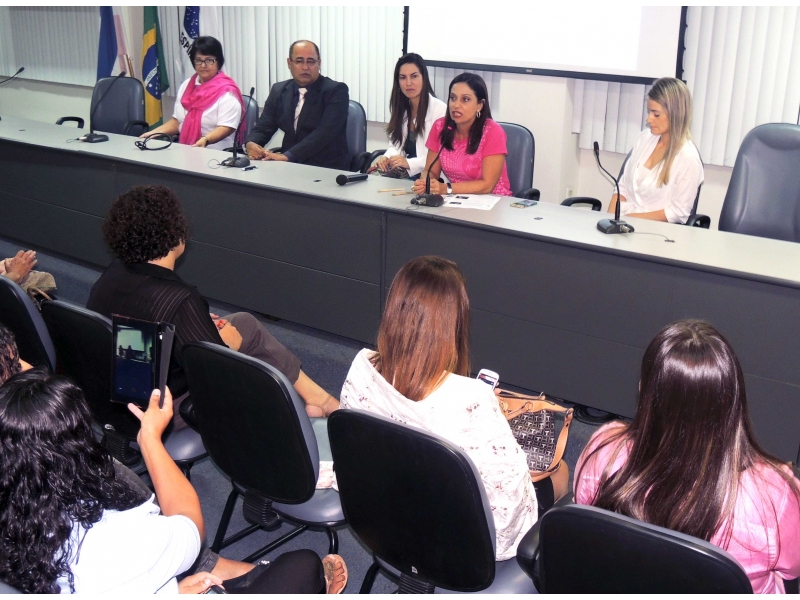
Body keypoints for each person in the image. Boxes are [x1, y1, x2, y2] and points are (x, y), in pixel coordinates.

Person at [0, 370, 348, 594]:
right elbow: (189, 526)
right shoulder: (118, 537)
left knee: (230, 577)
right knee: (303, 566)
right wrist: (150, 437)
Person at [340, 256, 568, 561]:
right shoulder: (472, 400)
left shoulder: (361, 368)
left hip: (387, 518)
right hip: (462, 544)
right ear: (454, 324)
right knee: (561, 471)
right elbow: (510, 513)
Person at [574, 320, 800, 593]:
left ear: (645, 389)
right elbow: (793, 566)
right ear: (733, 401)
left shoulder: (604, 449)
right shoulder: (773, 496)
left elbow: (584, 517)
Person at [86, 185, 339, 418]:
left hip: (115, 385)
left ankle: (318, 399)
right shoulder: (179, 299)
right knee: (239, 336)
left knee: (244, 322)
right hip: (159, 407)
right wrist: (228, 344)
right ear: (176, 234)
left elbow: (138, 327)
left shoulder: (114, 272)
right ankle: (311, 407)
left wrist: (198, 326)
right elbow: (213, 375)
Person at [607, 77, 704, 223]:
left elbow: (677, 213)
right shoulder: (644, 138)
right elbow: (622, 187)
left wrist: (629, 220)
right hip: (624, 225)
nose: (649, 119)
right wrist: (610, 219)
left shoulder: (688, 158)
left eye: (656, 114)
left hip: (658, 234)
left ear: (675, 114)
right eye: (649, 112)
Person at [245, 40, 349, 169]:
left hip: (326, 166)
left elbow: (324, 134)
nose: (305, 67)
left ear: (319, 63)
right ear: (289, 63)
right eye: (299, 61)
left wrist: (288, 156)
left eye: (311, 61)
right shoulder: (279, 90)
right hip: (288, 165)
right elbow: (264, 126)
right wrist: (251, 143)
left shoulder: (336, 91)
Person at [412, 73, 512, 197]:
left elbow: (487, 185)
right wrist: (425, 182)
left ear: (479, 105)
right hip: (458, 200)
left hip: (494, 201)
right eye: (453, 98)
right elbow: (431, 170)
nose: (456, 105)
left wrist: (446, 188)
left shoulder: (493, 132)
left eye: (465, 99)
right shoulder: (440, 127)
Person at [140, 36, 244, 150]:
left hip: (217, 152)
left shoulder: (227, 92)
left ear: (219, 61)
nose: (203, 65)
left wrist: (205, 140)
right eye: (198, 60)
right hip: (187, 149)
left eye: (209, 60)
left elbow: (227, 127)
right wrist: (152, 134)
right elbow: (178, 121)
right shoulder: (187, 85)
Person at [371, 53, 447, 178]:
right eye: (402, 77)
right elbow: (396, 145)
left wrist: (409, 163)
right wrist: (386, 157)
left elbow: (440, 156)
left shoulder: (440, 111)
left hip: (430, 176)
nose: (408, 83)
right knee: (373, 177)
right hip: (407, 173)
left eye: (414, 76)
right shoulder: (402, 108)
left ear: (424, 77)